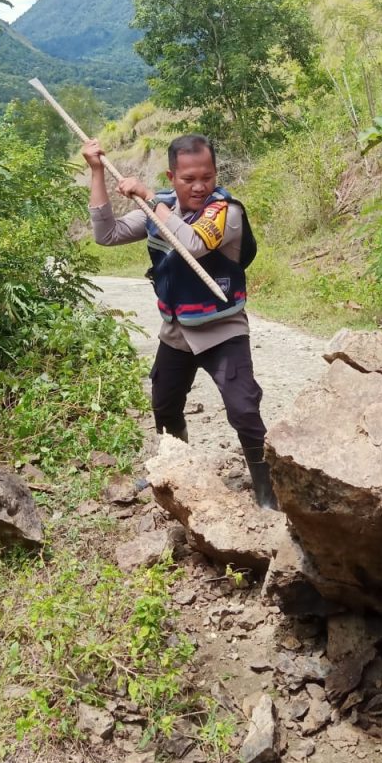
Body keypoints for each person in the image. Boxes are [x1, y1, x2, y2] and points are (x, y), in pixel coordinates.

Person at [83, 132, 277, 510]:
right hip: (176, 332)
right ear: (172, 177)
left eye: (207, 176)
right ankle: (179, 477)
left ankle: (268, 495)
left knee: (244, 410)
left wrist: (152, 200)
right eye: (189, 179)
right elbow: (106, 234)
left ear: (216, 173)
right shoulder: (160, 205)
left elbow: (192, 243)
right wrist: (96, 173)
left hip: (223, 330)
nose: (200, 186)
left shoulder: (226, 211)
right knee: (165, 406)